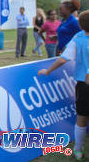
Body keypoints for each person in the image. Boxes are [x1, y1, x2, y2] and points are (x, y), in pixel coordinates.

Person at [38, 10, 89, 161]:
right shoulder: (78, 38)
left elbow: (63, 59)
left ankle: (78, 150)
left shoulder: (78, 38)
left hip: (83, 85)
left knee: (81, 118)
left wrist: (48, 71)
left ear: (80, 24)